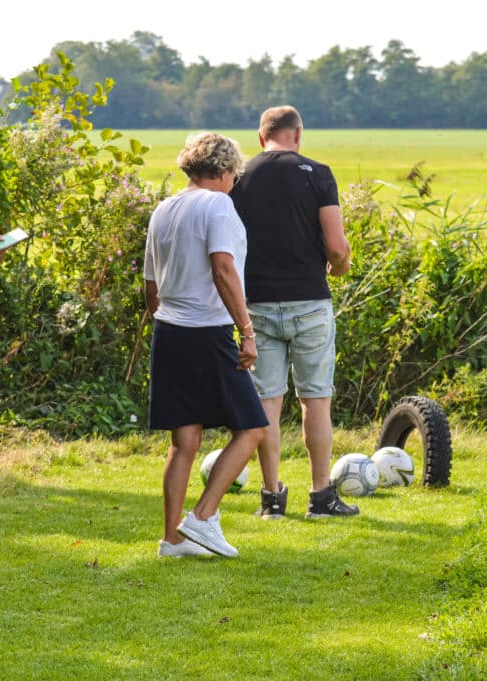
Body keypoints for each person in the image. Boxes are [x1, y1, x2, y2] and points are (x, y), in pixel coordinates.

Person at [144, 132, 268, 558]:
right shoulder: (218, 205)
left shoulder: (163, 209)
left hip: (169, 330)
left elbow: (150, 288)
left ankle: (171, 540)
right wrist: (246, 331)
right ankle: (201, 517)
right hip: (207, 331)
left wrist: (171, 315)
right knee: (252, 428)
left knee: (185, 442)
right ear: (227, 170)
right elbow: (223, 269)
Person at [229, 105, 355, 520]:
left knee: (267, 402)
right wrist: (339, 268)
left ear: (260, 136)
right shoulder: (318, 173)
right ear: (297, 134)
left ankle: (271, 499)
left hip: (257, 305)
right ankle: (321, 497)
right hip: (309, 302)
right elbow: (336, 248)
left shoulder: (239, 178)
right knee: (315, 401)